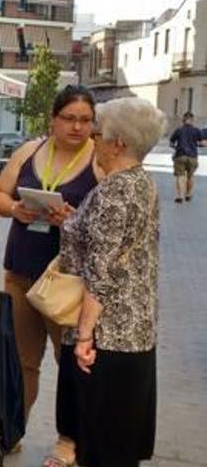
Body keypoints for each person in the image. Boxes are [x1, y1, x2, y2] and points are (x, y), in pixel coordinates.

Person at [0, 84, 102, 466]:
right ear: (53, 120)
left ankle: (69, 442)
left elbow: (106, 222)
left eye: (85, 120)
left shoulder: (99, 160)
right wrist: (15, 209)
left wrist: (73, 220)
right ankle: (11, 433)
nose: (77, 127)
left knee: (71, 362)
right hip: (21, 273)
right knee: (22, 361)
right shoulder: (29, 151)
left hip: (68, 283)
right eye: (69, 118)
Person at [56, 97, 164, 467]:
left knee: (102, 447)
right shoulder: (140, 182)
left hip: (108, 337)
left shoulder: (114, 192)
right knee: (119, 447)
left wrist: (85, 336)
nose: (92, 141)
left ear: (117, 143)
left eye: (98, 134)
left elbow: (100, 274)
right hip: (135, 331)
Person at [169, 111, 203, 203]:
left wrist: (176, 147)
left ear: (183, 119)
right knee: (190, 176)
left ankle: (180, 196)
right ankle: (188, 194)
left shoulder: (179, 130)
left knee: (180, 176)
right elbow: (202, 143)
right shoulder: (196, 130)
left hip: (180, 155)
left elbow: (171, 142)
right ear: (192, 120)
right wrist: (198, 145)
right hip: (192, 156)